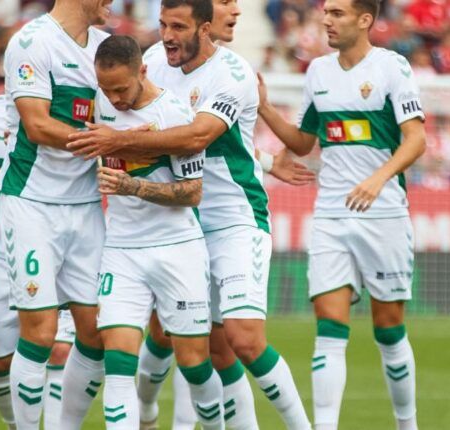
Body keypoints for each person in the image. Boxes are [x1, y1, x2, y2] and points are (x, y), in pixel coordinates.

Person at [68, 1, 312, 429]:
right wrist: (270, 162)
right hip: (179, 223)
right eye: (162, 24)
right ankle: (150, 414)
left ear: (204, 28)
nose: (166, 35)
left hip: (234, 218)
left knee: (244, 339)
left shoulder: (233, 73)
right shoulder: (151, 64)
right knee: (201, 348)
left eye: (177, 26)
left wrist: (119, 142)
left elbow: (199, 135)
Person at [256, 1, 426, 429]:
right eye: (325, 13)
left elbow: (416, 140)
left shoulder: (392, 68)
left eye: (337, 13)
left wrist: (379, 179)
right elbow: (303, 142)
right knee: (329, 330)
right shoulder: (318, 72)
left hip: (383, 214)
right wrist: (265, 108)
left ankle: (408, 424)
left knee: (388, 330)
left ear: (365, 19)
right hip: (331, 213)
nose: (326, 20)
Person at [92, 34, 224, 430]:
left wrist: (132, 186)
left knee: (195, 365)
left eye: (121, 89)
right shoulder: (101, 103)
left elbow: (192, 193)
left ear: (142, 71)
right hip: (122, 247)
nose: (114, 99)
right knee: (117, 365)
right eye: (106, 89)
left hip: (176, 249)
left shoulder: (174, 113)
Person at [0, 1, 113, 428]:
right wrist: (107, 142)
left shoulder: (106, 47)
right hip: (32, 203)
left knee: (98, 334)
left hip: (84, 206)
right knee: (41, 334)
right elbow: (37, 126)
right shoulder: (32, 41)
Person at [0, 94, 76, 430]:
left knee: (59, 352)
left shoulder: (66, 108)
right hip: (5, 257)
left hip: (58, 253)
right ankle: (14, 422)